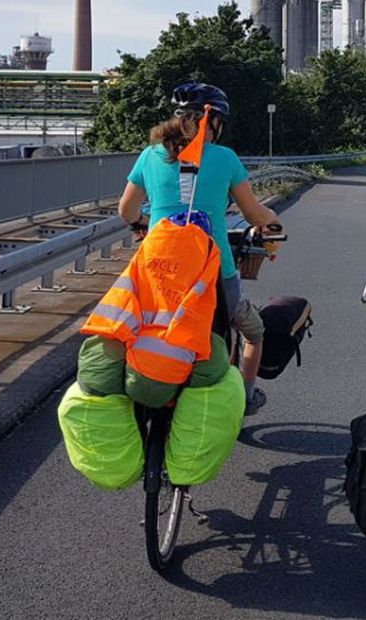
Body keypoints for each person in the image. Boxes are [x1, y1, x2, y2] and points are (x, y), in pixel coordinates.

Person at [117, 83, 280, 415]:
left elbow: (126, 211)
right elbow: (253, 214)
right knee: (253, 331)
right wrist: (273, 221)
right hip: (213, 268)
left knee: (135, 323)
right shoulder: (225, 158)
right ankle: (246, 396)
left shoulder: (150, 155)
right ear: (214, 121)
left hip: (156, 265)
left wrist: (144, 223)